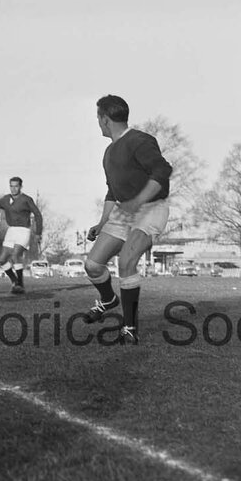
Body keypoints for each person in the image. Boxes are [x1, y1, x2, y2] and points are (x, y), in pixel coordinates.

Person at [81, 95, 172, 346]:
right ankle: (109, 300)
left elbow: (163, 172)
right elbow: (112, 191)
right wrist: (102, 223)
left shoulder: (140, 140)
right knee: (92, 265)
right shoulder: (109, 152)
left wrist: (137, 201)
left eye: (98, 118)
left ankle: (129, 327)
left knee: (126, 262)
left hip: (151, 208)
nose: (98, 123)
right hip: (123, 211)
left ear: (105, 119)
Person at [0, 177, 43, 294]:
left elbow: (38, 215)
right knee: (2, 259)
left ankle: (20, 284)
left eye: (16, 186)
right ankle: (14, 281)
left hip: (23, 231)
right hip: (12, 230)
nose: (13, 188)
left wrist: (38, 233)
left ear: (20, 187)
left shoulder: (26, 200)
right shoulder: (6, 199)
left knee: (15, 255)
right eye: (11, 186)